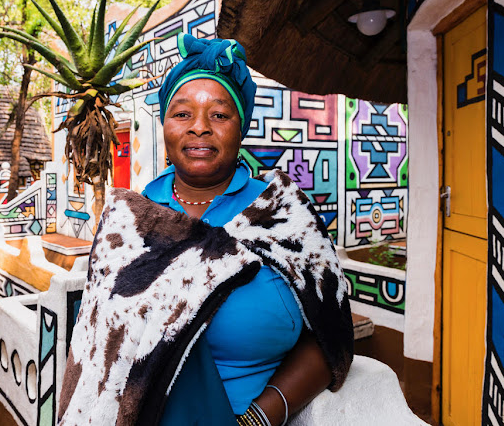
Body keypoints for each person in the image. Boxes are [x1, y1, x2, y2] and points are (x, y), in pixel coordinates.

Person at [58, 33, 354, 426]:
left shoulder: (285, 215)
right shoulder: (127, 220)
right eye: (182, 114)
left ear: (240, 126)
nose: (200, 127)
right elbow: (95, 352)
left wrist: (260, 418)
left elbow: (330, 332)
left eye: (219, 114)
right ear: (164, 125)